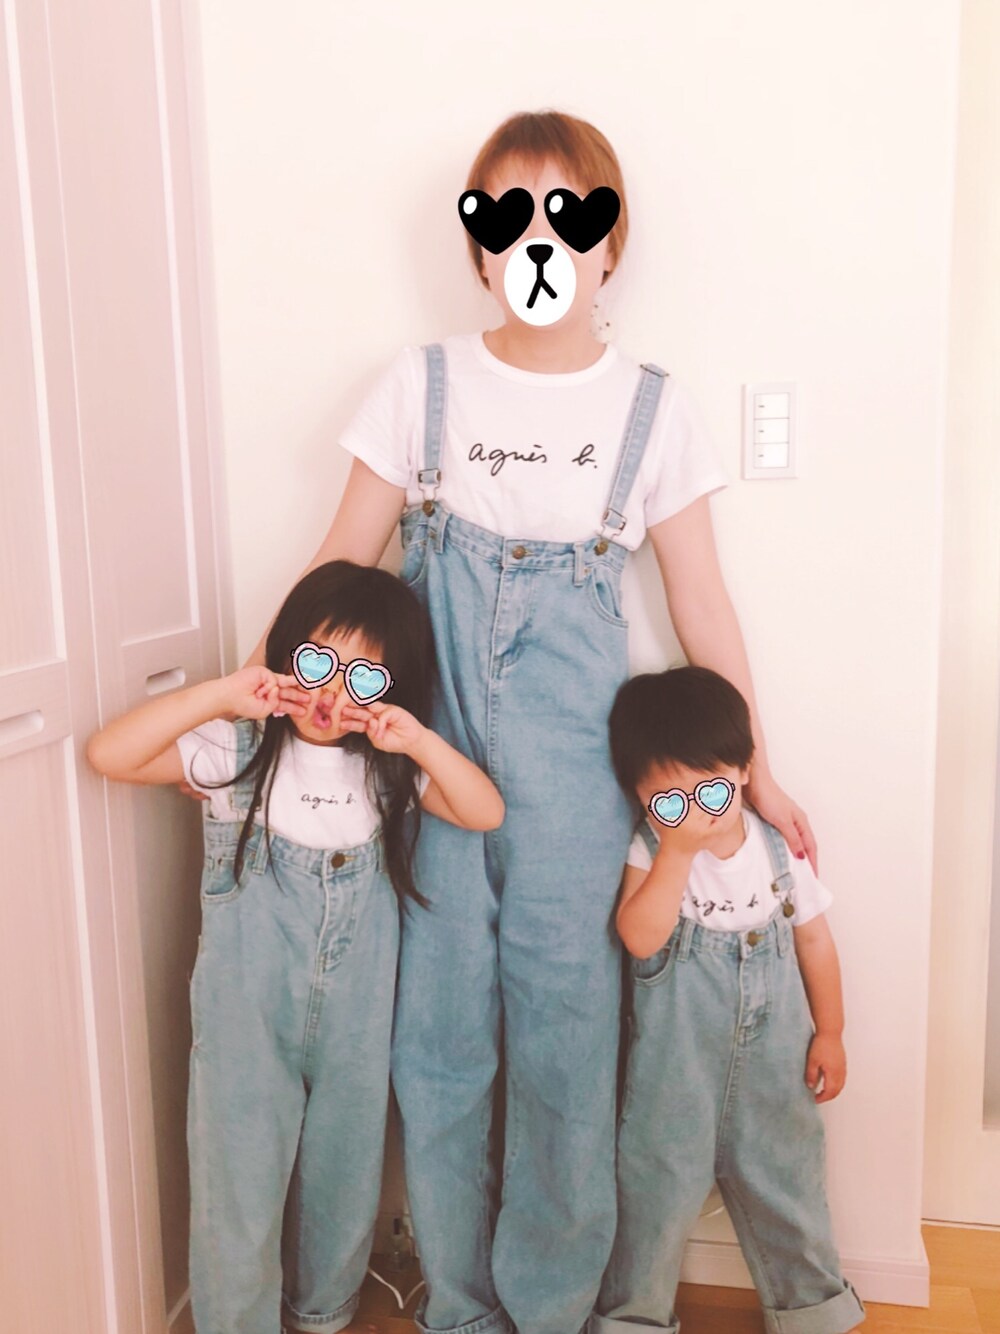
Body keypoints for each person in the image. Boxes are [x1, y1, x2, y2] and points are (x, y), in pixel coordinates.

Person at [243, 110, 818, 1334]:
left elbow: (700, 600)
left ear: (611, 246)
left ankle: (553, 1306)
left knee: (565, 1042)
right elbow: (339, 563)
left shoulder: (653, 409)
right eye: (509, 216)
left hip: (575, 783)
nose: (540, 241)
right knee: (439, 1043)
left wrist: (756, 770)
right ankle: (460, 1306)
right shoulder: (420, 385)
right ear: (478, 246)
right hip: (427, 761)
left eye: (570, 215)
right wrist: (265, 698)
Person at [88, 560, 504, 1334]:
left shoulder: (386, 772)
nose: (331, 694)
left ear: (391, 691)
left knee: (343, 1172)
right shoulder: (237, 751)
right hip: (245, 1017)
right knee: (237, 1177)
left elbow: (484, 811)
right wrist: (223, 693)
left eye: (363, 679)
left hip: (354, 1021)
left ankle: (322, 1312)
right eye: (317, 663)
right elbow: (110, 755)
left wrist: (416, 739)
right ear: (286, 656)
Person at [592, 665, 865, 1334]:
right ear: (639, 799)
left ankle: (812, 1311)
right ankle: (632, 1318)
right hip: (674, 1069)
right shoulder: (650, 852)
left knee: (788, 1179)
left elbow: (815, 942)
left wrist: (830, 1032)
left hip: (776, 1061)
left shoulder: (778, 851)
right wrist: (675, 855)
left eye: (711, 791)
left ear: (744, 771)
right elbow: (639, 937)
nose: (695, 814)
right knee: (653, 1191)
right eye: (669, 803)